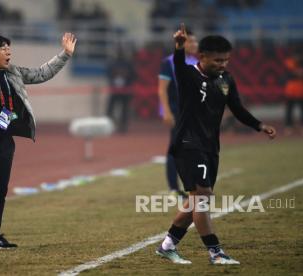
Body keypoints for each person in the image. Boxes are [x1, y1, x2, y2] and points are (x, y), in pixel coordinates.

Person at [156, 24, 276, 265]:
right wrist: (179, 47)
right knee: (202, 196)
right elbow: (178, 65)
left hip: (210, 146)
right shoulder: (189, 74)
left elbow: (237, 108)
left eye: (226, 60)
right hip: (188, 143)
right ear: (202, 57)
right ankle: (216, 252)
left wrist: (258, 125)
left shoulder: (226, 80)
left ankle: (167, 245)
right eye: (218, 60)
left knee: (195, 200)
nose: (222, 64)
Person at [0, 28, 76, 251]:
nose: (8, 51)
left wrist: (64, 54)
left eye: (9, 48)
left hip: (5, 138)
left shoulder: (12, 71)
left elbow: (41, 73)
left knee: (0, 189)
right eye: (2, 48)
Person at [158, 29, 198, 197]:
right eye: (191, 42)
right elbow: (162, 89)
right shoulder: (169, 62)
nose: (195, 45)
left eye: (196, 42)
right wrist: (166, 111)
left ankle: (192, 185)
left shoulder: (196, 61)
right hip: (176, 110)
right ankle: (174, 187)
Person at [106, 50, 135, 133]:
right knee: (110, 109)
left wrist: (128, 82)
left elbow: (133, 75)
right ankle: (108, 125)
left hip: (125, 90)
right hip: (115, 90)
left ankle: (123, 126)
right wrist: (113, 81)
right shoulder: (113, 63)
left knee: (124, 109)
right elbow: (108, 74)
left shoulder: (128, 64)